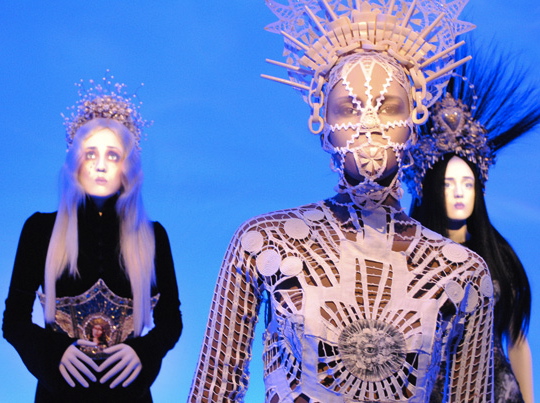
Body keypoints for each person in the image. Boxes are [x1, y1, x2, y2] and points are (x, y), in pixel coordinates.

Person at [189, 0, 494, 401]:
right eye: (350, 108)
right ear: (324, 123)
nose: (369, 124)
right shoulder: (265, 242)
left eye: (388, 107)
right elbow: (213, 388)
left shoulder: (462, 272)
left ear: (413, 122)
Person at [3, 78, 183, 402]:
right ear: (75, 163)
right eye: (90, 154)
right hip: (59, 393)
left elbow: (171, 321)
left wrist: (144, 352)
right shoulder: (40, 231)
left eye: (112, 155)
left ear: (127, 167)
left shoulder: (152, 237)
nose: (100, 166)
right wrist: (53, 353)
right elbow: (13, 321)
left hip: (128, 392)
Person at [405, 57, 540, 402]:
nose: (459, 192)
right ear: (429, 191)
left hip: (498, 391)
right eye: (448, 184)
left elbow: (516, 340)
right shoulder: (410, 258)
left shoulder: (498, 254)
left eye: (467, 183)